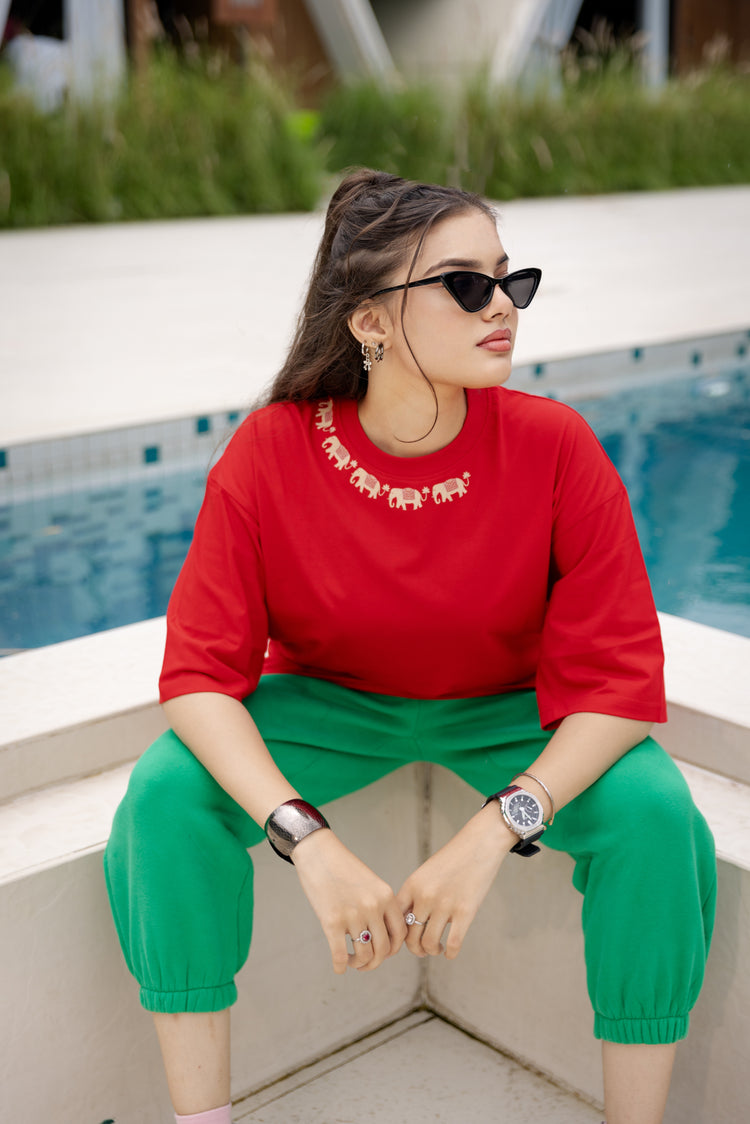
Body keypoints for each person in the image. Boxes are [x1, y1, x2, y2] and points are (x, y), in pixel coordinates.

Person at [104, 169, 716, 1124]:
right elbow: (198, 678)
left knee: (654, 814)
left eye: (511, 281)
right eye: (466, 285)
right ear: (370, 322)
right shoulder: (270, 451)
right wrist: (305, 838)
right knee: (166, 796)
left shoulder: (558, 448)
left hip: (506, 707)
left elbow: (620, 684)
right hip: (332, 704)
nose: (502, 307)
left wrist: (493, 830)